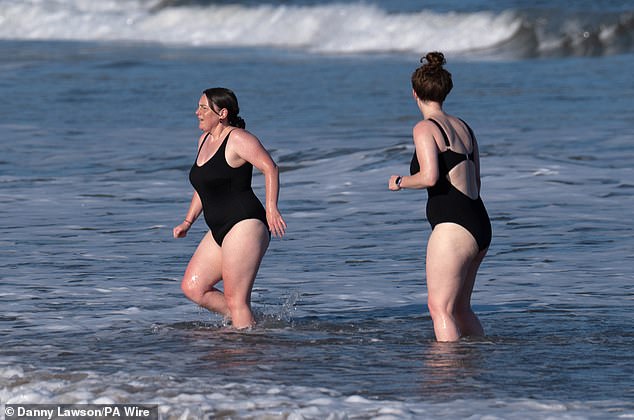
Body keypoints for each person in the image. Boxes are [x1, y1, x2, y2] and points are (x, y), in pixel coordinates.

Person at [389, 52, 491, 342]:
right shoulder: (465, 127)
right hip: (480, 222)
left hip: (454, 226)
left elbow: (430, 177)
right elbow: (478, 181)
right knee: (460, 308)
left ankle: (447, 376)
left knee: (439, 308)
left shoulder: (425, 128)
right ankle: (476, 360)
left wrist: (400, 182)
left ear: (414, 94)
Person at [173, 87, 286, 329]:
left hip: (245, 223)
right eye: (198, 107)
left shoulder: (238, 139)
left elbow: (270, 168)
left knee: (237, 299)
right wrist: (187, 221)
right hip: (219, 228)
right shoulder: (203, 140)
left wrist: (271, 208)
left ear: (222, 113)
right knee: (193, 287)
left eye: (203, 108)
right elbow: (204, 186)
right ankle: (249, 325)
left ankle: (245, 351)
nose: (197, 113)